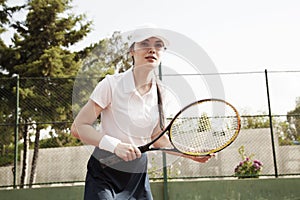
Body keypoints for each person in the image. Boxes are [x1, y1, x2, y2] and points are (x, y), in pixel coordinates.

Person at [71, 25, 212, 200]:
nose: (152, 49)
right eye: (145, 43)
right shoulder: (110, 84)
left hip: (137, 174)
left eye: (158, 45)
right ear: (132, 51)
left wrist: (190, 152)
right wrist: (115, 146)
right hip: (104, 171)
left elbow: (158, 137)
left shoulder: (162, 93)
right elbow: (78, 128)